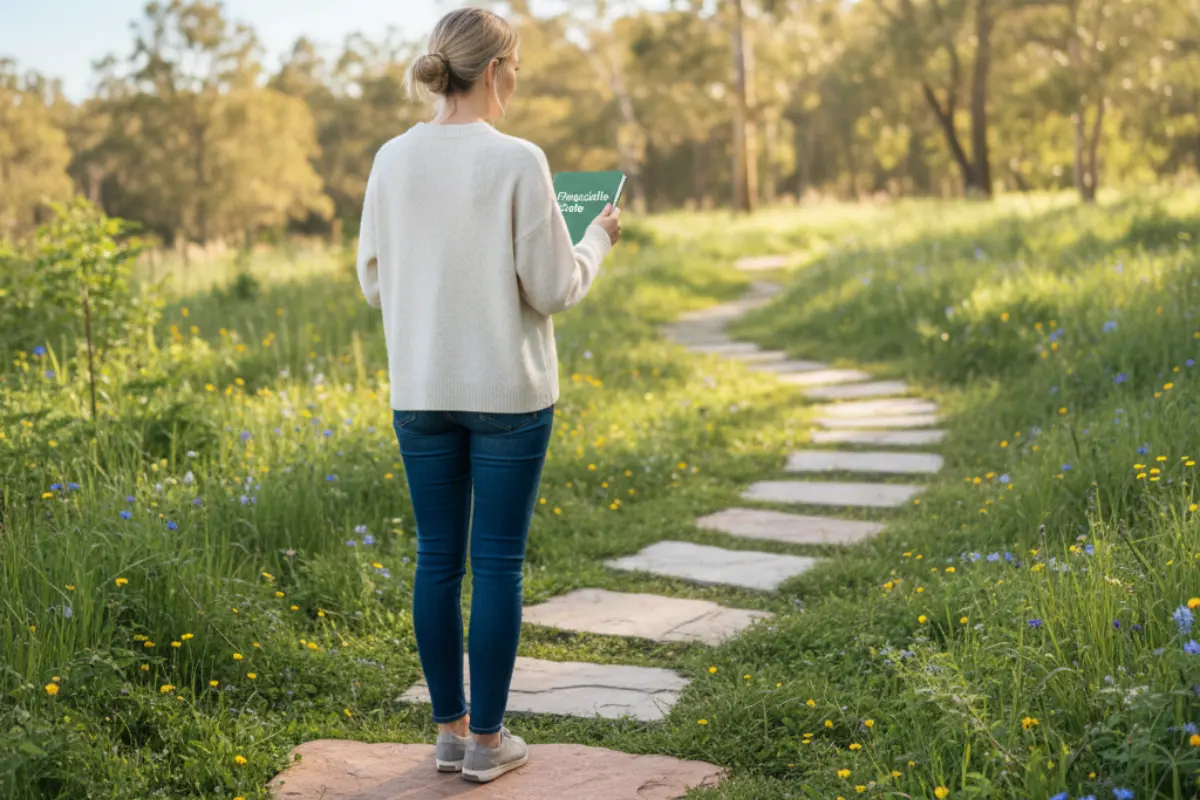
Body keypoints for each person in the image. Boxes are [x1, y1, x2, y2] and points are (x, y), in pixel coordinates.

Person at [354, 6, 621, 785]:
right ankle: (487, 743)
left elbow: (373, 281)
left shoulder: (390, 159)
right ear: (497, 70)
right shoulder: (519, 159)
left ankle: (448, 733)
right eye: (518, 69)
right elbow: (554, 286)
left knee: (436, 560)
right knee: (497, 565)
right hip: (509, 393)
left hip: (420, 388)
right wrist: (596, 238)